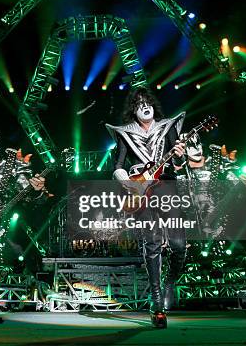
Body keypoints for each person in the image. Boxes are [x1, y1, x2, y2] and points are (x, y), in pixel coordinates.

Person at [105, 87, 186, 328]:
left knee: (179, 244)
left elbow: (179, 162)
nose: (144, 105)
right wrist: (131, 185)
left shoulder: (167, 127)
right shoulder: (125, 134)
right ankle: (156, 301)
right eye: (139, 103)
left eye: (148, 101)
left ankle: (171, 280)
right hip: (141, 191)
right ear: (133, 109)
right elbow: (118, 165)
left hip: (167, 187)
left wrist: (180, 155)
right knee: (151, 244)